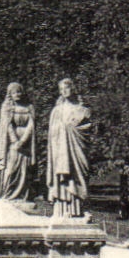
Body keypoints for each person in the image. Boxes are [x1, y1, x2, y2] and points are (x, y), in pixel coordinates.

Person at [46, 78, 92, 217]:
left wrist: (72, 128)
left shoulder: (83, 110)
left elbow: (87, 129)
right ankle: (62, 210)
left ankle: (78, 210)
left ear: (73, 88)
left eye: (66, 87)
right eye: (61, 89)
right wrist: (63, 128)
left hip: (77, 150)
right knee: (63, 180)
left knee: (78, 177)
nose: (64, 91)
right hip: (61, 151)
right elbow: (52, 133)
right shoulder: (57, 111)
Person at [0, 82, 36, 202]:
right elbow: (7, 125)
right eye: (14, 92)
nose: (17, 94)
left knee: (24, 171)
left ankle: (22, 196)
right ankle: (7, 194)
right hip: (13, 143)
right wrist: (15, 141)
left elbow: (31, 125)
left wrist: (23, 140)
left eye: (19, 91)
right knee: (11, 169)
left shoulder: (29, 107)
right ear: (10, 94)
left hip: (25, 144)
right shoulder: (7, 106)